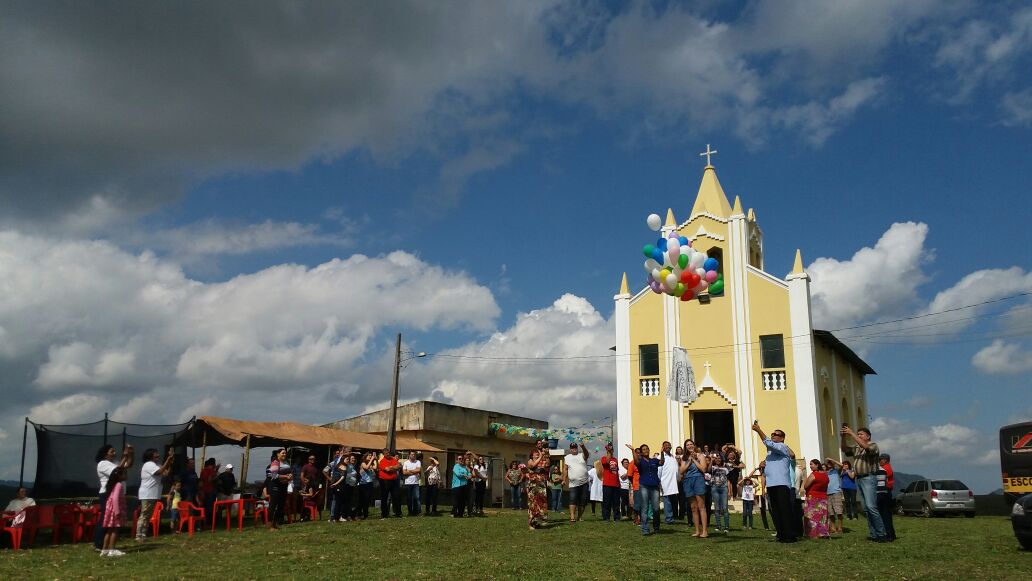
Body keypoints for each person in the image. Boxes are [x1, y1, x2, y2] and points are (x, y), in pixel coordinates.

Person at [752, 421, 800, 543]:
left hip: (781, 484)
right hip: (772, 484)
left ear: (782, 438)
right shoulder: (770, 453)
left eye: (776, 434)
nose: (773, 435)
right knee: (776, 511)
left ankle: (790, 535)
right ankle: (781, 534)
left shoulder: (783, 447)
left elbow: (768, 443)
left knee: (784, 510)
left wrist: (758, 430)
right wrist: (763, 465)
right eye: (772, 434)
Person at [841, 424, 887, 542]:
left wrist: (851, 433)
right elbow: (845, 450)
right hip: (860, 478)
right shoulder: (857, 448)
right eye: (858, 434)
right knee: (866, 508)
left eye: (861, 434)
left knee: (871, 506)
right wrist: (843, 437)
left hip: (869, 478)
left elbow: (866, 447)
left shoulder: (873, 445)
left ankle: (881, 533)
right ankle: (874, 534)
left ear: (868, 436)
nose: (859, 435)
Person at [94, 444, 133, 551]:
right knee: (105, 519)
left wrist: (130, 454)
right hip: (107, 494)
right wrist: (124, 457)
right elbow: (116, 472)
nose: (114, 453)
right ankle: (99, 543)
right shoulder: (102, 463)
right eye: (112, 451)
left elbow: (127, 465)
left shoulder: (114, 462)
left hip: (116, 493)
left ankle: (106, 546)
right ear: (105, 454)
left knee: (112, 521)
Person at [136, 449, 174, 541]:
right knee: (144, 514)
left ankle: (143, 535)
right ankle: (139, 535)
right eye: (155, 454)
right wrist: (168, 459)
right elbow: (159, 472)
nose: (158, 455)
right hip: (147, 494)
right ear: (150, 456)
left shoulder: (155, 465)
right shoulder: (148, 464)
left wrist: (170, 463)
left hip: (152, 494)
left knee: (147, 515)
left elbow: (166, 473)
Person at [627, 443, 663, 536]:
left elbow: (662, 462)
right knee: (644, 508)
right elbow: (636, 461)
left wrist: (662, 452)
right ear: (641, 453)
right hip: (644, 486)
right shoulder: (640, 461)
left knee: (656, 508)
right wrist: (633, 450)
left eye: (647, 449)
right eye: (643, 449)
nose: (646, 450)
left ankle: (656, 527)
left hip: (655, 486)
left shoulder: (654, 460)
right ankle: (645, 529)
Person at [679, 439, 709, 537]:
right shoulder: (684, 458)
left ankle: (704, 531)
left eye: (691, 444)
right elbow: (681, 471)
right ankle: (697, 531)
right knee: (693, 508)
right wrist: (689, 461)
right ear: (685, 447)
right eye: (687, 445)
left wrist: (695, 460)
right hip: (688, 481)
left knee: (701, 506)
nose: (689, 446)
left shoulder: (700, 456)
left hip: (698, 479)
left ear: (694, 445)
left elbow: (704, 469)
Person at [100, 465, 129, 557]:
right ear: (119, 476)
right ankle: (112, 549)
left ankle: (104, 549)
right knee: (115, 529)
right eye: (125, 474)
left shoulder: (112, 485)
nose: (127, 476)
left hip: (110, 509)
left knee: (109, 530)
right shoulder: (119, 485)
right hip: (115, 510)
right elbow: (115, 498)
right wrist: (117, 511)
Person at [803, 459, 831, 539]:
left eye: (811, 464)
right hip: (823, 497)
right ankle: (823, 533)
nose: (810, 466)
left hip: (812, 497)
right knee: (822, 517)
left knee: (811, 516)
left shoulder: (814, 474)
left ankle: (812, 534)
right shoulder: (825, 475)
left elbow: (806, 486)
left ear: (817, 465)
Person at [526, 440, 550, 529]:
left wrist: (546, 455)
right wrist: (540, 456)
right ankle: (531, 523)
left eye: (537, 454)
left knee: (541, 503)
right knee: (533, 503)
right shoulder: (530, 461)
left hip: (541, 485)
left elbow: (547, 465)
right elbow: (533, 465)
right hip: (533, 486)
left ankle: (538, 522)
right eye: (535, 454)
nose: (537, 455)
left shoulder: (541, 462)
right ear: (532, 455)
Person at [563, 442, 589, 522]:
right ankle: (572, 517)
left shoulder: (581, 455)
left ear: (577, 448)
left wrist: (583, 447)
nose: (574, 449)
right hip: (573, 483)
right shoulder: (567, 457)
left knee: (583, 501)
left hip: (584, 482)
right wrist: (564, 479)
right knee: (572, 500)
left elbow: (587, 455)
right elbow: (565, 469)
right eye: (572, 447)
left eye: (575, 447)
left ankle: (580, 517)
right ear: (570, 449)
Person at [266, 448, 291, 530]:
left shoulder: (287, 463)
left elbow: (289, 474)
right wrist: (285, 476)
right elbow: (273, 475)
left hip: (283, 486)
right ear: (278, 454)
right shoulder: (275, 462)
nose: (284, 454)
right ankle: (270, 525)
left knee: (281, 506)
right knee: (273, 505)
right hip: (275, 486)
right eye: (283, 453)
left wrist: (290, 477)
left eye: (285, 453)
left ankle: (275, 523)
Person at [658, 441, 679, 526]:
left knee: (673, 501)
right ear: (663, 447)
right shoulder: (661, 457)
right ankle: (668, 519)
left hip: (674, 482)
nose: (668, 446)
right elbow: (659, 471)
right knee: (667, 501)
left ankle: (672, 517)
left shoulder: (673, 457)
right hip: (665, 482)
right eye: (666, 445)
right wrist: (659, 482)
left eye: (669, 445)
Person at [877, 453, 897, 542]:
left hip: (884, 492)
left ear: (886, 460)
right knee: (887, 514)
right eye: (879, 459)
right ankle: (892, 534)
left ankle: (889, 535)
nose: (880, 461)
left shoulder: (886, 468)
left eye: (881, 459)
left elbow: (884, 476)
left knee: (885, 514)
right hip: (887, 492)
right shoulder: (887, 467)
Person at [377, 448, 402, 519]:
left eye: (388, 453)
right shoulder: (382, 461)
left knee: (396, 496)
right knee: (384, 497)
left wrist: (391, 467)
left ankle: (398, 513)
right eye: (386, 453)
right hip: (384, 481)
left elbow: (399, 466)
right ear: (384, 454)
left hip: (394, 480)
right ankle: (384, 514)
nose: (388, 454)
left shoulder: (393, 459)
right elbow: (387, 469)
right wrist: (394, 467)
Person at [599, 443, 621, 522]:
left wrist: (619, 483)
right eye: (609, 449)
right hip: (607, 484)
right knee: (606, 502)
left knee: (616, 502)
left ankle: (617, 517)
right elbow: (607, 462)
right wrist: (608, 452)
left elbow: (616, 471)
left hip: (616, 484)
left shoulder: (615, 459)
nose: (611, 451)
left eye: (612, 449)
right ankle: (606, 518)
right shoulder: (604, 458)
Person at [709, 455, 730, 533]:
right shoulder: (712, 467)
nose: (718, 460)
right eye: (716, 458)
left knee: (725, 508)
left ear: (722, 460)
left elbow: (729, 480)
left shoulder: (725, 468)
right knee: (717, 508)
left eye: (719, 458)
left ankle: (726, 526)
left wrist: (730, 490)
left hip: (724, 488)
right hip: (715, 488)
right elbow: (708, 470)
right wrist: (711, 461)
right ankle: (718, 525)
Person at [823, 458, 845, 534]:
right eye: (828, 462)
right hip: (827, 493)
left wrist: (832, 459)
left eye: (830, 462)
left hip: (836, 492)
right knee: (830, 512)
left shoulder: (836, 471)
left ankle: (840, 527)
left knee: (839, 511)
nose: (829, 463)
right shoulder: (825, 473)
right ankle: (832, 528)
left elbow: (842, 465)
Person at [199, 458, 219, 529]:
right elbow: (210, 480)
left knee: (204, 508)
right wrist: (216, 476)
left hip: (204, 491)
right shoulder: (211, 470)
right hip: (210, 491)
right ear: (213, 464)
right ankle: (209, 523)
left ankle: (203, 523)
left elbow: (201, 482)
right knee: (210, 508)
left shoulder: (203, 470)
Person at [402, 451, 422, 517]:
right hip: (408, 483)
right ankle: (410, 512)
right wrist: (414, 471)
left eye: (414, 454)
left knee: (416, 498)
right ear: (409, 455)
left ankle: (416, 512)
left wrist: (409, 471)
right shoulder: (406, 463)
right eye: (412, 454)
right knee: (409, 498)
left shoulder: (418, 462)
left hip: (415, 483)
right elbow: (404, 472)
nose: (413, 455)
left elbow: (418, 470)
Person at [357, 452, 376, 520]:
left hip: (370, 483)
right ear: (365, 456)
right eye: (369, 455)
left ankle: (365, 514)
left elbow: (375, 468)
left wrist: (375, 460)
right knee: (362, 500)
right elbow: (366, 467)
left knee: (367, 500)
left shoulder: (370, 464)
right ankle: (359, 513)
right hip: (363, 484)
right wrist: (372, 460)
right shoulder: (363, 463)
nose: (370, 456)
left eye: (371, 455)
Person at [625, 450, 640, 525]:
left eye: (639, 452)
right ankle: (636, 519)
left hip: (644, 486)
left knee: (643, 504)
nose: (638, 454)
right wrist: (634, 482)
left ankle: (641, 519)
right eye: (637, 453)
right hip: (636, 486)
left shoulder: (643, 462)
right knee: (636, 504)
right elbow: (629, 475)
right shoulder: (632, 463)